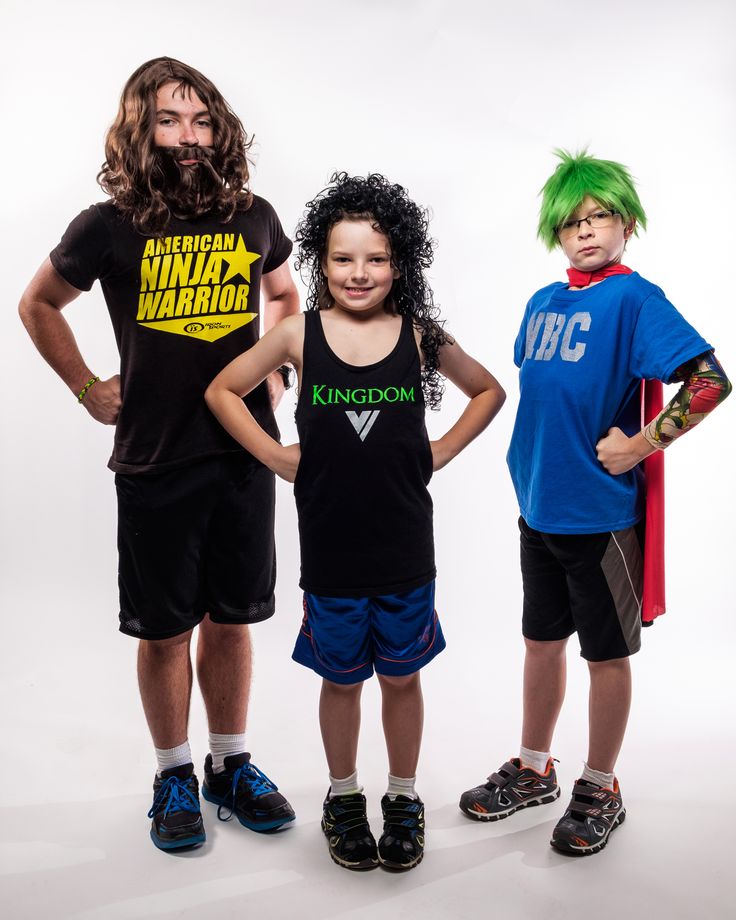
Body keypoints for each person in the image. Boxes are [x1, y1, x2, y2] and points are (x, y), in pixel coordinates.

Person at [18, 57, 300, 851]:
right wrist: (85, 387)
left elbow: (283, 295)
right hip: (154, 457)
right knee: (165, 628)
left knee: (234, 620)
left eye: (202, 120)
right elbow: (36, 303)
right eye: (171, 120)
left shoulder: (254, 215)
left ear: (221, 129)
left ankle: (231, 764)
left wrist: (278, 368)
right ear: (140, 128)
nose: (188, 137)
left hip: (245, 451)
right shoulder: (106, 226)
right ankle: (174, 772)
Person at [206, 173, 506, 871]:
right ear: (321, 262)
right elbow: (221, 390)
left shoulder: (420, 336)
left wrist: (442, 449)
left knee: (402, 678)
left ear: (399, 262)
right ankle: (344, 797)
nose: (359, 272)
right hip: (333, 555)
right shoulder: (297, 335)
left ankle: (402, 797)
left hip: (405, 552)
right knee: (341, 680)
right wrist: (278, 456)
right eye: (343, 258)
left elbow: (489, 390)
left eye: (375, 258)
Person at [459, 149, 731, 855]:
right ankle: (533, 767)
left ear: (626, 223)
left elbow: (709, 380)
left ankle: (601, 783)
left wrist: (641, 445)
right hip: (539, 508)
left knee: (604, 655)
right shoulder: (542, 303)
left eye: (599, 216)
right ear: (555, 232)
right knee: (539, 643)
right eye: (571, 221)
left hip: (601, 516)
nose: (585, 231)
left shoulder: (635, 299)